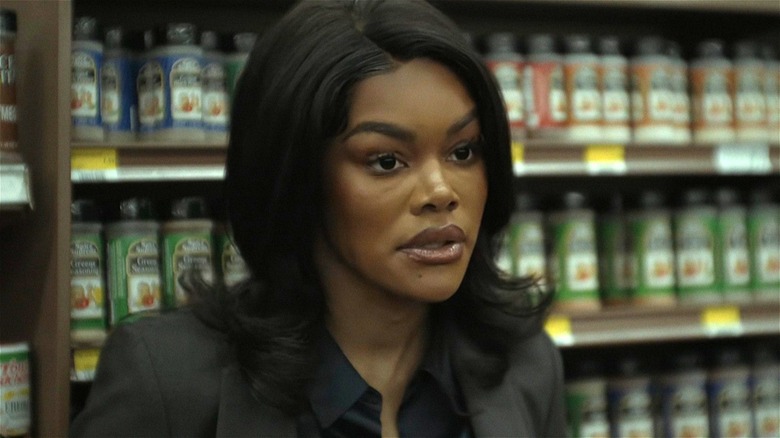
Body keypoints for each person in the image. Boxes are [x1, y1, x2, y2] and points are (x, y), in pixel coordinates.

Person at [70, 0, 566, 436]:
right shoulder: (166, 382)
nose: (441, 192)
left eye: (463, 152)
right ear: (296, 175)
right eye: (387, 161)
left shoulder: (526, 365)